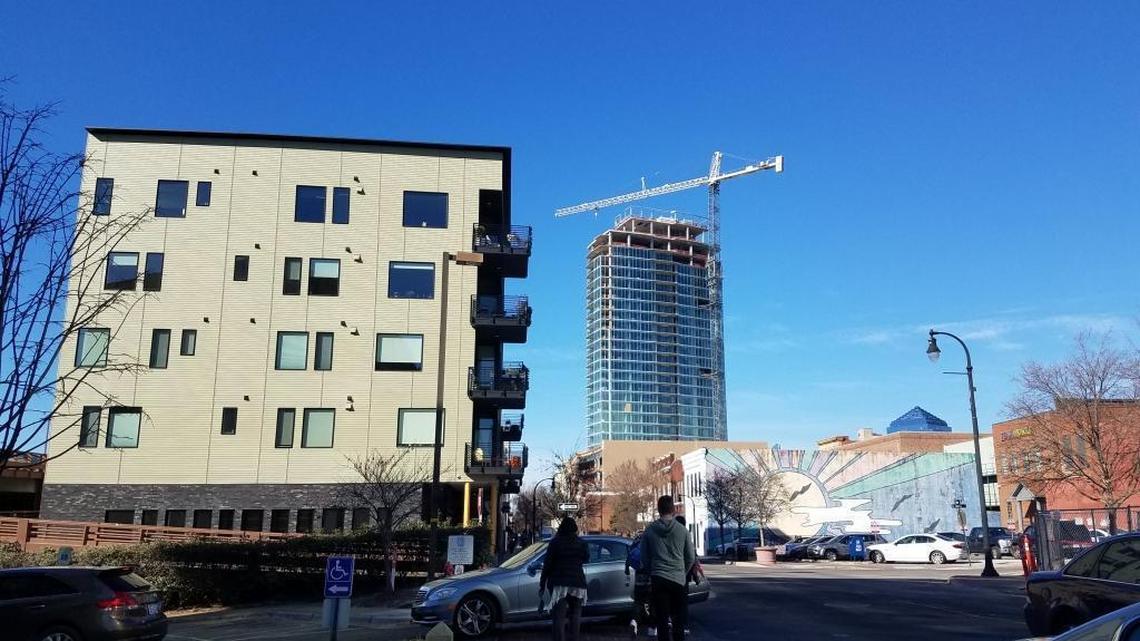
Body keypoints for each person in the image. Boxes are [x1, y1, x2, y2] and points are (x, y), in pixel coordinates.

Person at [640, 496, 695, 641]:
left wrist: (651, 571)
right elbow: (690, 557)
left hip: (658, 578)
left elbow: (644, 556)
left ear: (659, 510)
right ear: (673, 509)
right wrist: (683, 572)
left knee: (662, 621)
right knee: (678, 621)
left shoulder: (650, 530)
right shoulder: (682, 531)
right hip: (678, 579)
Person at [540, 517, 589, 641]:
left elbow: (547, 564)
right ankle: (574, 638)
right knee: (575, 615)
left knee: (559, 617)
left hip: (559, 582)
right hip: (577, 581)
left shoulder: (555, 543)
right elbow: (586, 558)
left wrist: (542, 583)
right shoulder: (581, 543)